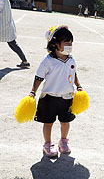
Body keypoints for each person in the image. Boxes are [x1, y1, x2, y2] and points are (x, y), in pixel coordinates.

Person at [29, 25, 83, 157]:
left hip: (67, 97)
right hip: (49, 98)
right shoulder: (48, 61)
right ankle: (47, 144)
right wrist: (33, 92)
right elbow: (39, 77)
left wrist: (79, 86)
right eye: (66, 43)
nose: (70, 45)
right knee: (48, 123)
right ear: (55, 44)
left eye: (71, 43)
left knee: (66, 122)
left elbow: (73, 73)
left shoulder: (71, 59)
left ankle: (63, 141)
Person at [0, 0, 30, 68]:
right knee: (13, 44)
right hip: (7, 26)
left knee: (13, 44)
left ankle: (25, 61)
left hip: (3, 26)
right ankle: (24, 61)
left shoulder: (1, 0)